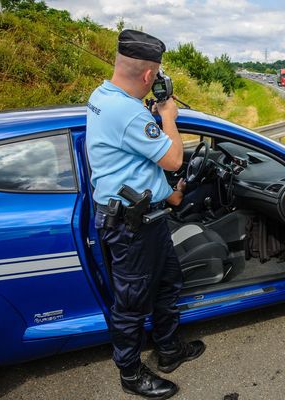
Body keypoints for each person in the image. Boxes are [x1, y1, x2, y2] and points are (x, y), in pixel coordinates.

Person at [86, 29, 205, 399]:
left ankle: (169, 350)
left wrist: (170, 196)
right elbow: (172, 158)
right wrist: (168, 115)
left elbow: (137, 165)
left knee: (168, 284)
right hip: (132, 227)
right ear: (149, 75)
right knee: (132, 303)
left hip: (146, 219)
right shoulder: (127, 113)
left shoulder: (102, 96)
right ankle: (131, 373)